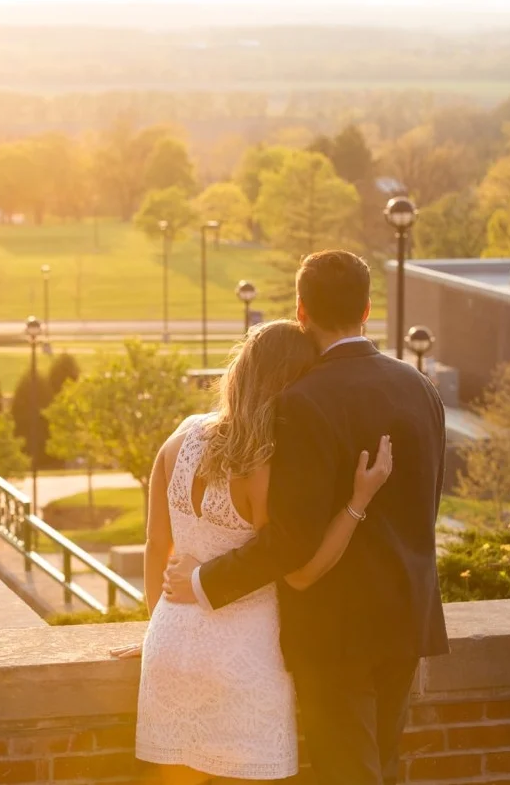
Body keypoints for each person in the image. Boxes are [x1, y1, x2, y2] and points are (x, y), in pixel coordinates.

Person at [162, 249, 449, 785]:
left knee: (348, 774)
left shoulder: (301, 401)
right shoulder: (421, 388)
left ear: (301, 310)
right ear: (367, 310)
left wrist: (204, 581)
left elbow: (291, 538)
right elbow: (428, 504)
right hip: (408, 617)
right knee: (384, 768)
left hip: (335, 631)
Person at [113, 318, 394, 784]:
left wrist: (157, 624)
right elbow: (300, 571)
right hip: (244, 659)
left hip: (169, 647)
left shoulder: (179, 437)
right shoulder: (263, 465)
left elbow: (155, 545)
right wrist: (357, 502)